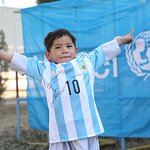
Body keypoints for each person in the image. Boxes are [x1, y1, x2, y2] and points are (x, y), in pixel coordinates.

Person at [0, 28, 134, 150]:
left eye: (69, 46)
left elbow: (104, 50)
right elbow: (21, 61)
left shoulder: (86, 62)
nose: (64, 50)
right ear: (48, 54)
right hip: (60, 133)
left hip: (85, 130)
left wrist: (121, 40)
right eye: (58, 47)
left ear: (75, 50)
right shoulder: (44, 69)